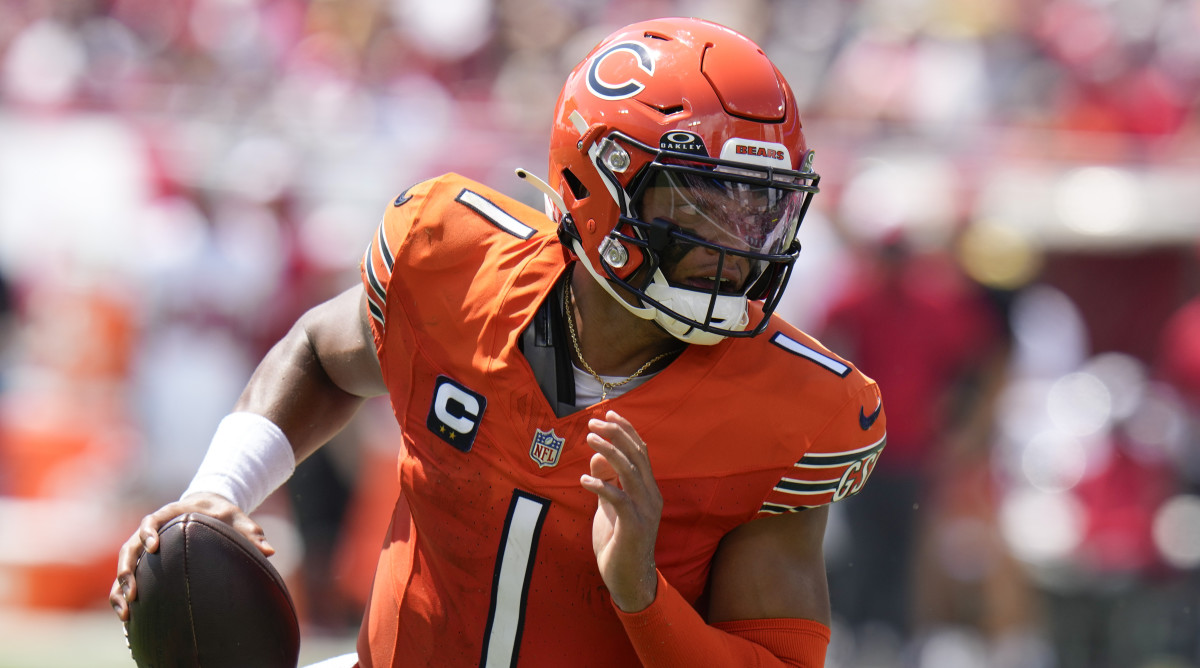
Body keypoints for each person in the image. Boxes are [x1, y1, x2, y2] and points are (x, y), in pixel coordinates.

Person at [110, 17, 886, 668]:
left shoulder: (788, 411)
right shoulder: (454, 266)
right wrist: (219, 490)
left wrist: (641, 594)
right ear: (598, 186)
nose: (738, 246)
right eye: (704, 205)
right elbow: (321, 352)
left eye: (758, 209)